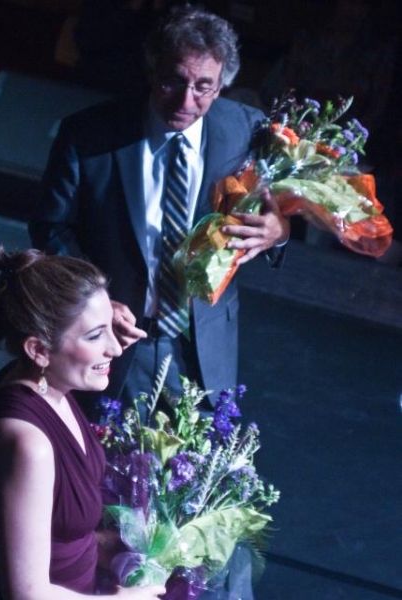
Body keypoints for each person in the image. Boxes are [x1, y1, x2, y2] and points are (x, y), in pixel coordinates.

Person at [29, 4, 289, 413]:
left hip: (204, 350)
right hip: (112, 343)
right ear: (152, 70)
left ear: (222, 86)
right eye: (174, 82)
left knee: (198, 473)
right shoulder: (89, 135)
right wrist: (94, 299)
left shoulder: (246, 129)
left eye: (204, 87)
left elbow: (277, 204)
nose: (187, 100)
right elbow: (51, 227)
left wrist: (280, 231)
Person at [0, 247, 165, 600]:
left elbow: (46, 530)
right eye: (94, 336)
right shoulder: (29, 445)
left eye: (111, 325)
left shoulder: (48, 388)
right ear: (39, 350)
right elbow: (26, 594)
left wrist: (102, 545)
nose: (116, 349)